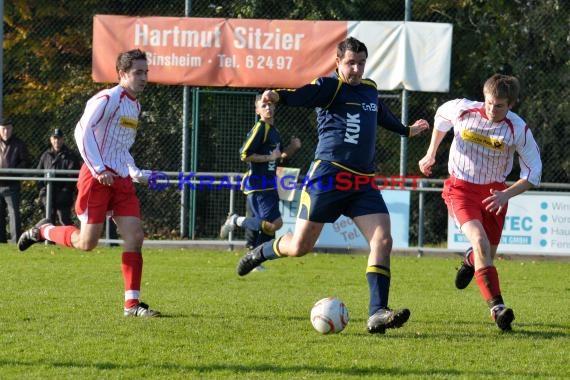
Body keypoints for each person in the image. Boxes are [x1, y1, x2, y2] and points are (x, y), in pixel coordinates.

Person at [235, 37, 429, 334]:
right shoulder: (330, 87)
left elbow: (381, 114)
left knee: (383, 240)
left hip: (362, 182)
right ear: (338, 63)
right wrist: (278, 96)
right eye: (350, 63)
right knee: (299, 246)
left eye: (361, 63)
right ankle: (260, 252)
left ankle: (377, 312)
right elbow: (304, 95)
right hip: (328, 178)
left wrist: (406, 130)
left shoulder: (369, 89)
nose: (356, 69)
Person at [18, 49, 160, 318]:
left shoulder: (136, 106)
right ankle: (44, 231)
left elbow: (121, 148)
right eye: (138, 72)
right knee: (87, 243)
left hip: (120, 181)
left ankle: (132, 305)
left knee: (135, 236)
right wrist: (98, 168)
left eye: (146, 72)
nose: (144, 77)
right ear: (122, 74)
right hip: (96, 178)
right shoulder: (107, 98)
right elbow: (81, 131)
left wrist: (137, 172)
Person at [418, 74, 542, 331]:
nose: (492, 110)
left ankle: (470, 260)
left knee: (486, 254)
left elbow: (533, 172)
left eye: (499, 106)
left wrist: (506, 194)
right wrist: (431, 153)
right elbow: (441, 117)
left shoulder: (517, 128)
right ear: (483, 97)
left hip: (495, 195)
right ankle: (498, 309)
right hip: (460, 188)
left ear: (511, 105)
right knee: (480, 241)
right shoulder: (463, 109)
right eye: (488, 103)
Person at [36, 128, 80, 226]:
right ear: (51, 139)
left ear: (63, 139)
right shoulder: (45, 155)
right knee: (48, 219)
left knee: (64, 220)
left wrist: (65, 191)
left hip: (63, 193)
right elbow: (39, 174)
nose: (57, 141)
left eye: (59, 138)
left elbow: (72, 176)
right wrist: (42, 189)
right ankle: (49, 241)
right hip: (48, 191)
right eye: (54, 138)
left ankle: (69, 240)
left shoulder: (70, 155)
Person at [0, 118, 29, 243]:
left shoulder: (19, 144)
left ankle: (15, 241)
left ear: (12, 129)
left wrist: (12, 171)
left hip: (12, 185)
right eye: (3, 129)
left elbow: (25, 162)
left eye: (8, 128)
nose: (6, 131)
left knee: (14, 214)